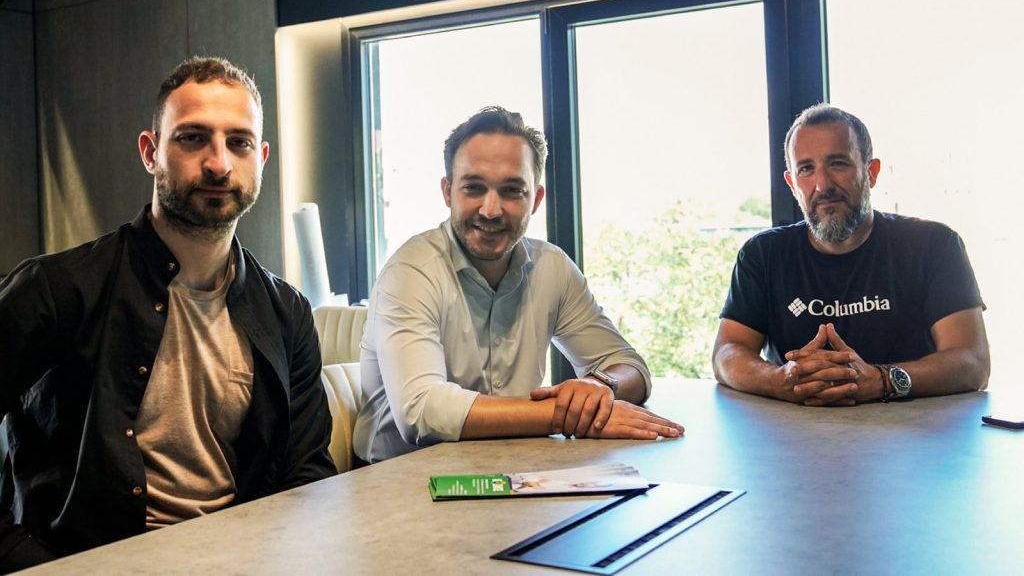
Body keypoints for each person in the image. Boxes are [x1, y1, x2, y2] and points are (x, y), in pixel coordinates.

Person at [0, 56, 335, 571]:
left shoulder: (287, 312)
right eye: (193, 138)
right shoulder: (55, 289)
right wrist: (23, 560)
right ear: (150, 152)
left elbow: (307, 472)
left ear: (262, 158)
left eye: (239, 142)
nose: (219, 163)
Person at [353, 106, 682, 462]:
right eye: (474, 188)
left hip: (511, 469)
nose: (490, 210)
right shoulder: (411, 270)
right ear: (448, 192)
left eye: (511, 191)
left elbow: (629, 366)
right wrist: (563, 414)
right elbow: (421, 412)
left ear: (535, 200)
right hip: (397, 477)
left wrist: (599, 387)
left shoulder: (551, 267)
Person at [713, 103, 990, 406]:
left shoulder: (934, 244)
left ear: (871, 172)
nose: (822, 185)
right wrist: (779, 380)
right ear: (792, 184)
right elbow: (727, 352)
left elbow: (972, 362)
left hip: (914, 430)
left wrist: (882, 380)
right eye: (806, 169)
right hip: (793, 428)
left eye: (838, 164)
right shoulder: (763, 254)